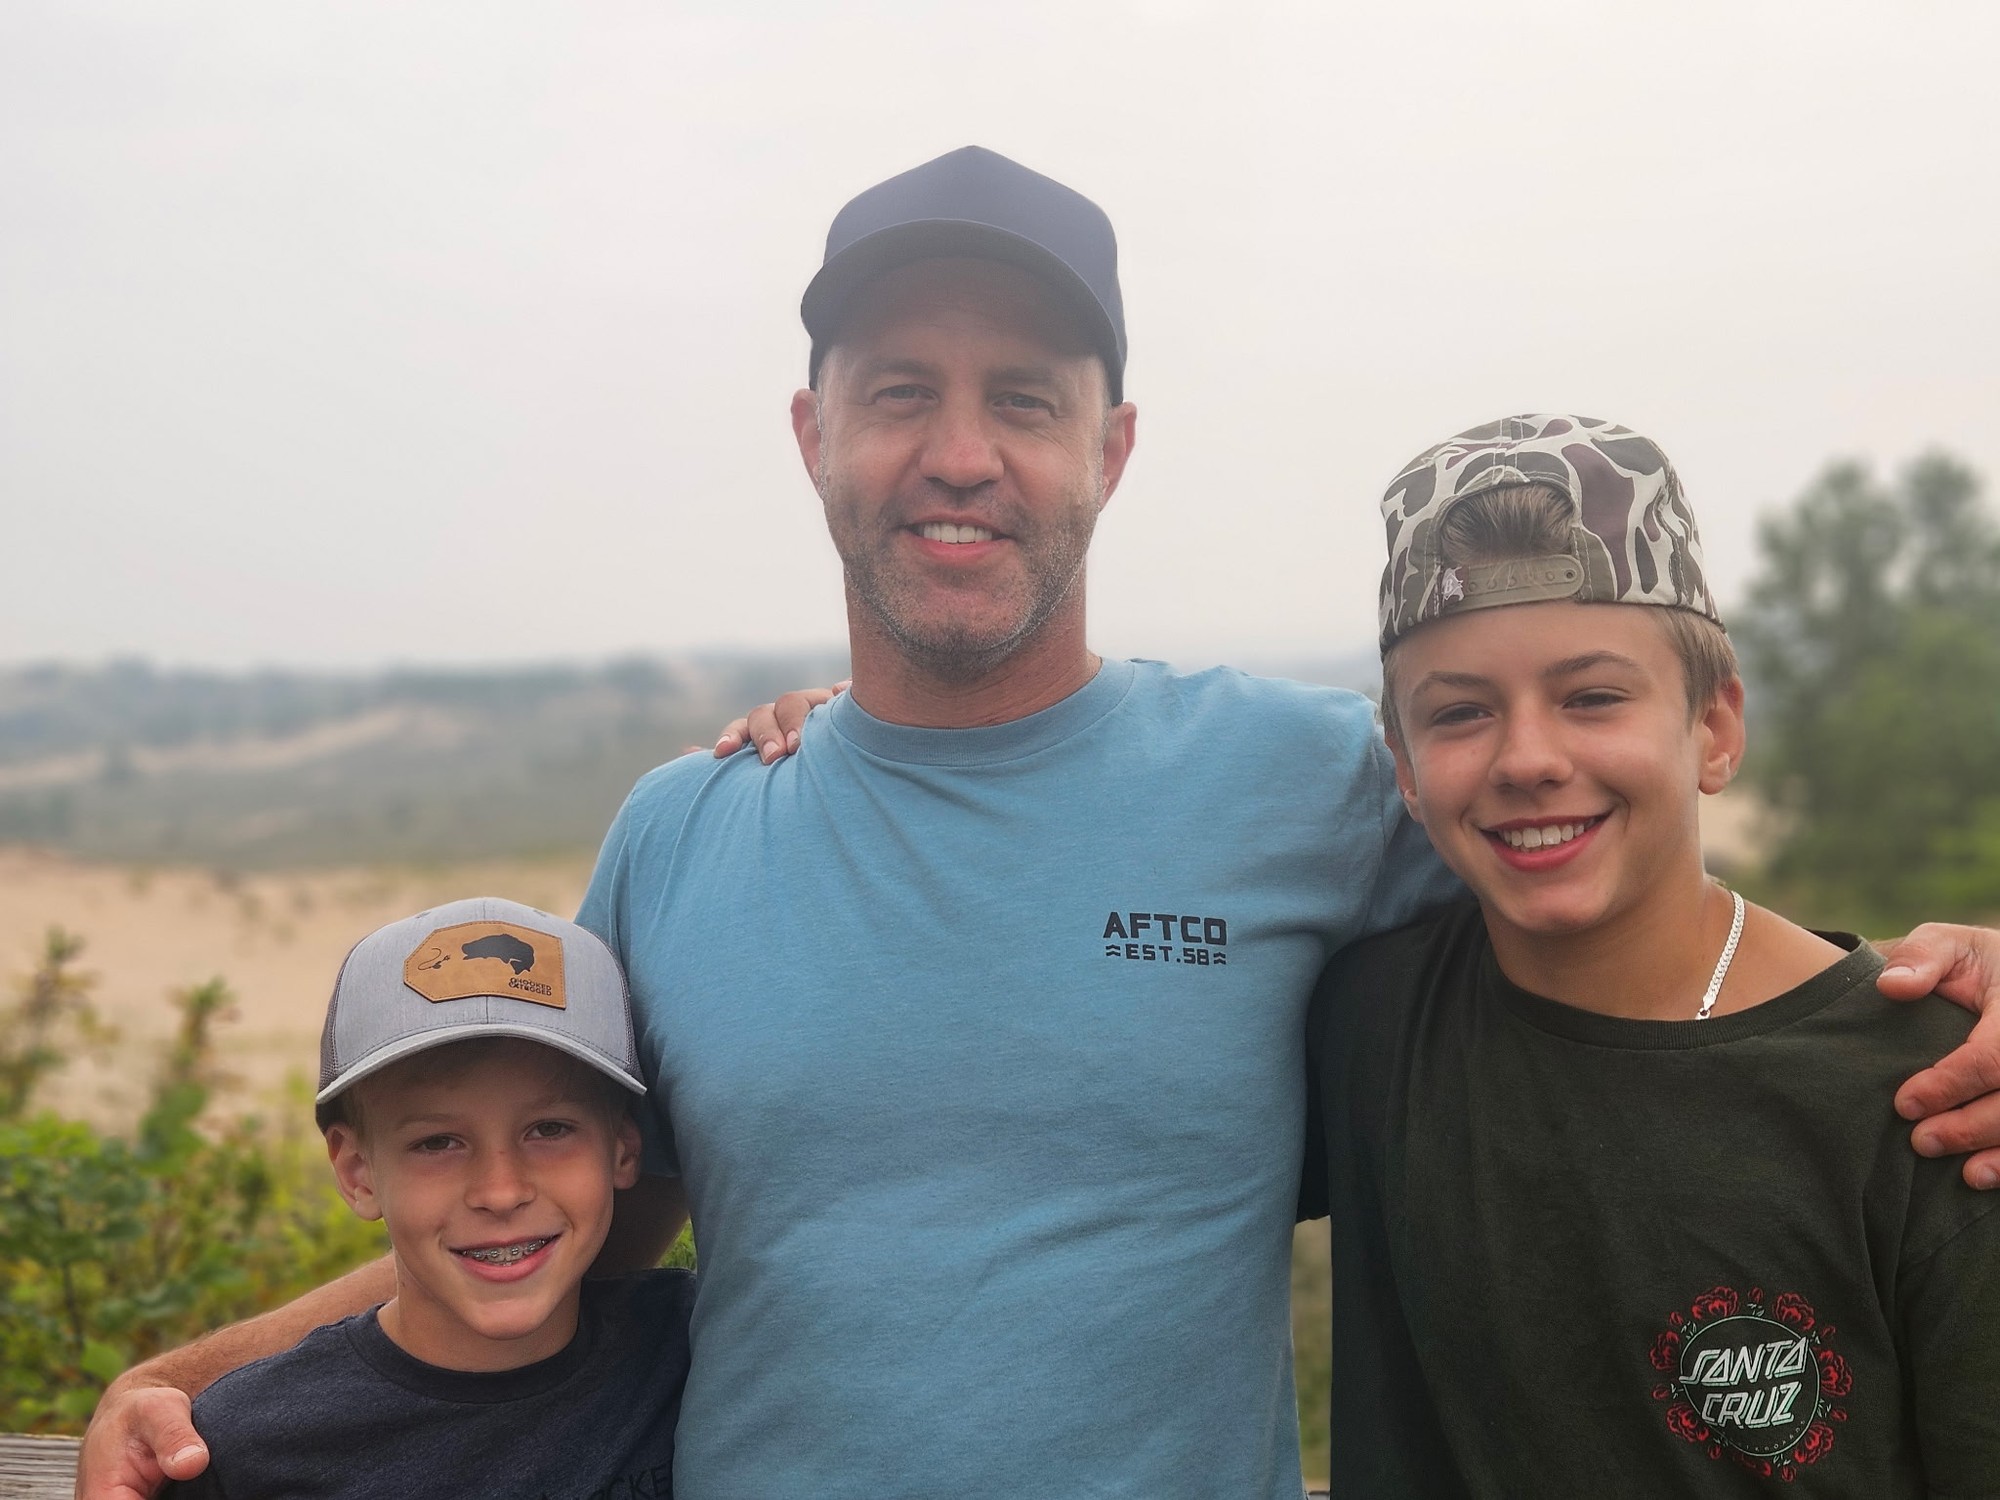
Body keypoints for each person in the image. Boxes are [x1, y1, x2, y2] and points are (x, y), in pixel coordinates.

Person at [78, 148, 2000, 1500]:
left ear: (1113, 447)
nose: (960, 451)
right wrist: (185, 1384)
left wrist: (1931, 995)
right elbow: (531, 1227)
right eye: (899, 392)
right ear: (814, 434)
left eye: (1024, 395)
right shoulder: (686, 834)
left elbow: (1625, 907)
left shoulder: (1306, 780)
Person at [1306, 415, 2000, 1496]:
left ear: (1714, 728)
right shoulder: (1367, 1025)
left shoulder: (1934, 1095)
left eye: (1591, 697)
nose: (1527, 758)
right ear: (1401, 765)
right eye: (1460, 713)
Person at [162, 897, 694, 1500]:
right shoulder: (246, 1449)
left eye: (549, 1130)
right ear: (358, 1172)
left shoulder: (695, 1350)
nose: (501, 1192)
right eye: (438, 1142)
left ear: (624, 1147)